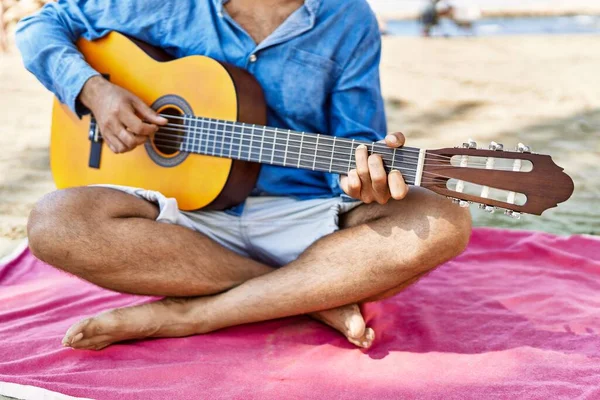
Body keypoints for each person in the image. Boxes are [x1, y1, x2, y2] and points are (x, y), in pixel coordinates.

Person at [16, 0, 471, 350]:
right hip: (187, 218)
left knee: (444, 220)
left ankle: (194, 315)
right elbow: (41, 24)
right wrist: (94, 90)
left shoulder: (347, 17)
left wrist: (358, 180)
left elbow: (357, 139)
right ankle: (308, 293)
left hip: (303, 216)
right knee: (55, 222)